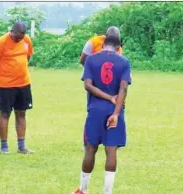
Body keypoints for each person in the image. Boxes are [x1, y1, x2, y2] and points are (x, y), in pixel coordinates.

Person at [71, 34, 131, 194]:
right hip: (115, 110)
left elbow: (88, 86)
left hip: (95, 110)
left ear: (103, 44)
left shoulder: (91, 60)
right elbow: (123, 88)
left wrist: (107, 97)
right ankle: (107, 192)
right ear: (118, 48)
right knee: (111, 151)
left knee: (90, 149)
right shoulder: (124, 61)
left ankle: (83, 190)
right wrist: (116, 113)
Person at [0, 21, 35, 154]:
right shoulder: (1, 42)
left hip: (23, 83)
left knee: (21, 113)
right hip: (5, 85)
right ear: (12, 31)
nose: (19, 39)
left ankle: (21, 146)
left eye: (21, 36)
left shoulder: (26, 40)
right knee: (4, 114)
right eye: (17, 36)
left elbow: (28, 56)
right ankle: (4, 146)